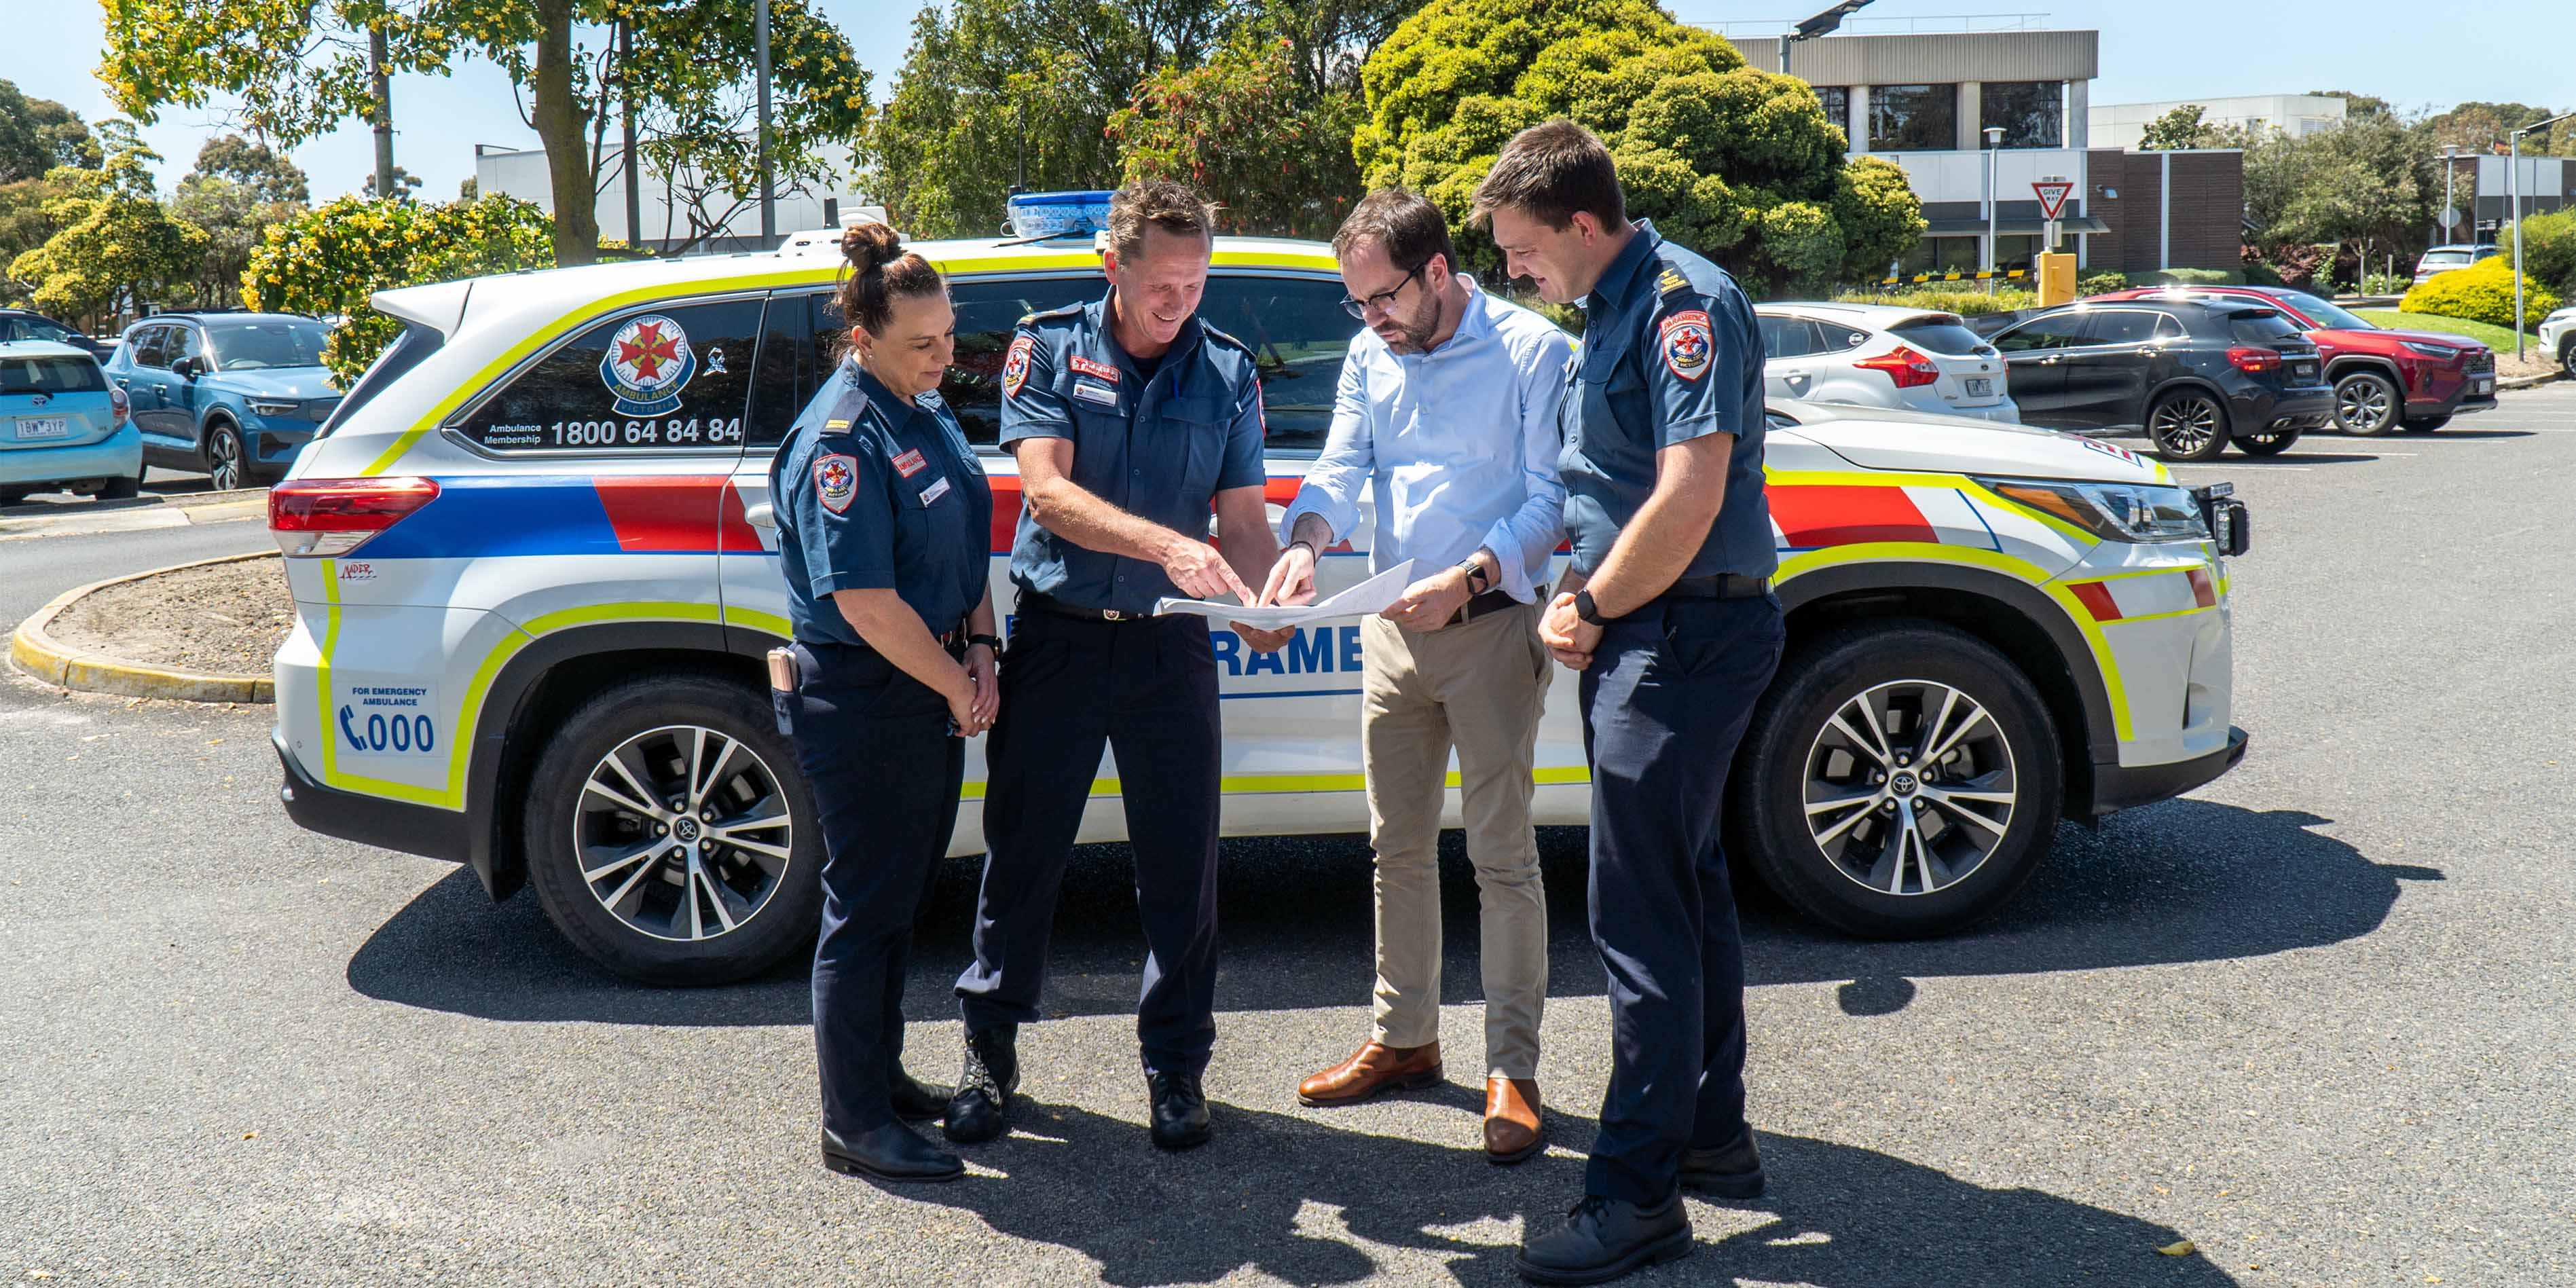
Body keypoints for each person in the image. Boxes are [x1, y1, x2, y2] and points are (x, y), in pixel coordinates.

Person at [1473, 122, 1786, 1285]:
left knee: (1638, 920)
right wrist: (1581, 591)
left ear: (1583, 223)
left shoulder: (1676, 306)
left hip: (1681, 634)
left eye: (1520, 249)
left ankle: (1635, 1194)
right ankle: (1711, 1133)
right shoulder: (1607, 308)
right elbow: (1601, 488)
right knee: (1688, 887)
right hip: (1652, 629)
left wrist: (1592, 606)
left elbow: (1689, 493)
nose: (1514, 270)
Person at [948, 179, 1283, 1153]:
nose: (1178, 302)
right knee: (1023, 855)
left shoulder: (1225, 370)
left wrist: (1256, 607)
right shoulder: (1049, 345)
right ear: (1112, 267)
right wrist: (1168, 547)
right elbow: (1046, 494)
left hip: (1169, 641)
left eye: (1194, 282)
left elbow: (1246, 523)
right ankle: (988, 1054)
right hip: (1058, 635)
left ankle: (1176, 1069)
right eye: (1159, 286)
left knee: (1182, 865)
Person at [1260, 188, 1571, 1165]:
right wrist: (1307, 541)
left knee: (1500, 856)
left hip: (1488, 623)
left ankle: (1510, 1068)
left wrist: (1471, 574)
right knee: (1393, 848)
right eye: (1357, 305)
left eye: (1383, 298)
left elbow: (1552, 496)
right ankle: (1403, 1041)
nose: (1371, 320)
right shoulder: (1368, 354)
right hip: (1392, 627)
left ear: (1438, 271)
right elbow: (1341, 464)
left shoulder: (1532, 351)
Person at [773, 223, 1000, 1185]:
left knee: (901, 902)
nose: (945, 356)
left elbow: (963, 541)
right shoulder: (843, 435)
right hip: (871, 696)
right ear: (862, 340)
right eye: (923, 342)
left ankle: (880, 1073)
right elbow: (864, 600)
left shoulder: (921, 403)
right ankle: (853, 1120)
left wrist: (981, 646)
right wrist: (955, 682)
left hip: (931, 685)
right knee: (863, 911)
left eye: (949, 335)